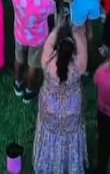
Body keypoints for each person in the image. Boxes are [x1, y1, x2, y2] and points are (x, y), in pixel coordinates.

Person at [33, 24, 88, 174]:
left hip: (50, 108)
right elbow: (82, 44)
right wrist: (74, 30)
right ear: (72, 52)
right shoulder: (79, 66)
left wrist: (60, 28)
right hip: (72, 110)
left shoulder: (47, 60)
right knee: (70, 137)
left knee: (50, 136)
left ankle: (48, 165)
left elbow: (50, 40)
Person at [11, 0, 56, 102]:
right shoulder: (45, 3)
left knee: (19, 59)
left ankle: (18, 84)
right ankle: (29, 91)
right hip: (37, 40)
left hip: (20, 35)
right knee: (33, 65)